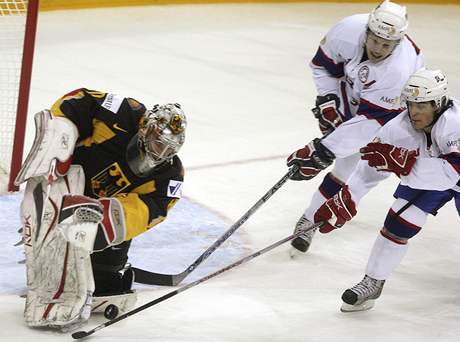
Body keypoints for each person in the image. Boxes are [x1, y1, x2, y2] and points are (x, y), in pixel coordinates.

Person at [15, 88, 186, 330]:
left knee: (104, 278)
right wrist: (58, 140)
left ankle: (79, 273)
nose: (161, 153)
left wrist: (103, 220)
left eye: (169, 149)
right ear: (146, 128)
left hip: (94, 210)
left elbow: (151, 210)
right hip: (66, 184)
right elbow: (78, 100)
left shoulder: (170, 177)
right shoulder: (125, 112)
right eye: (158, 143)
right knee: (49, 241)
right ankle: (45, 255)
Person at [312, 68, 460, 311]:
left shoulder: (454, 124)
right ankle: (373, 282)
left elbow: (450, 174)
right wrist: (348, 198)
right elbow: (370, 168)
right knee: (400, 219)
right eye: (411, 104)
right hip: (433, 175)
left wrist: (407, 165)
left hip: (451, 173)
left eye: (421, 106)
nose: (414, 112)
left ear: (439, 103)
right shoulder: (399, 127)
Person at [287, 0, 424, 256]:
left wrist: (322, 151)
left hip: (396, 118)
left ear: (398, 43)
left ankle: (321, 215)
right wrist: (328, 99)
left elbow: (370, 123)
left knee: (369, 171)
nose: (379, 49)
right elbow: (323, 66)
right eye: (375, 41)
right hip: (358, 97)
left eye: (387, 45)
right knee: (344, 165)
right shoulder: (348, 29)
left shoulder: (399, 70)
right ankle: (309, 220)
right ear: (367, 31)